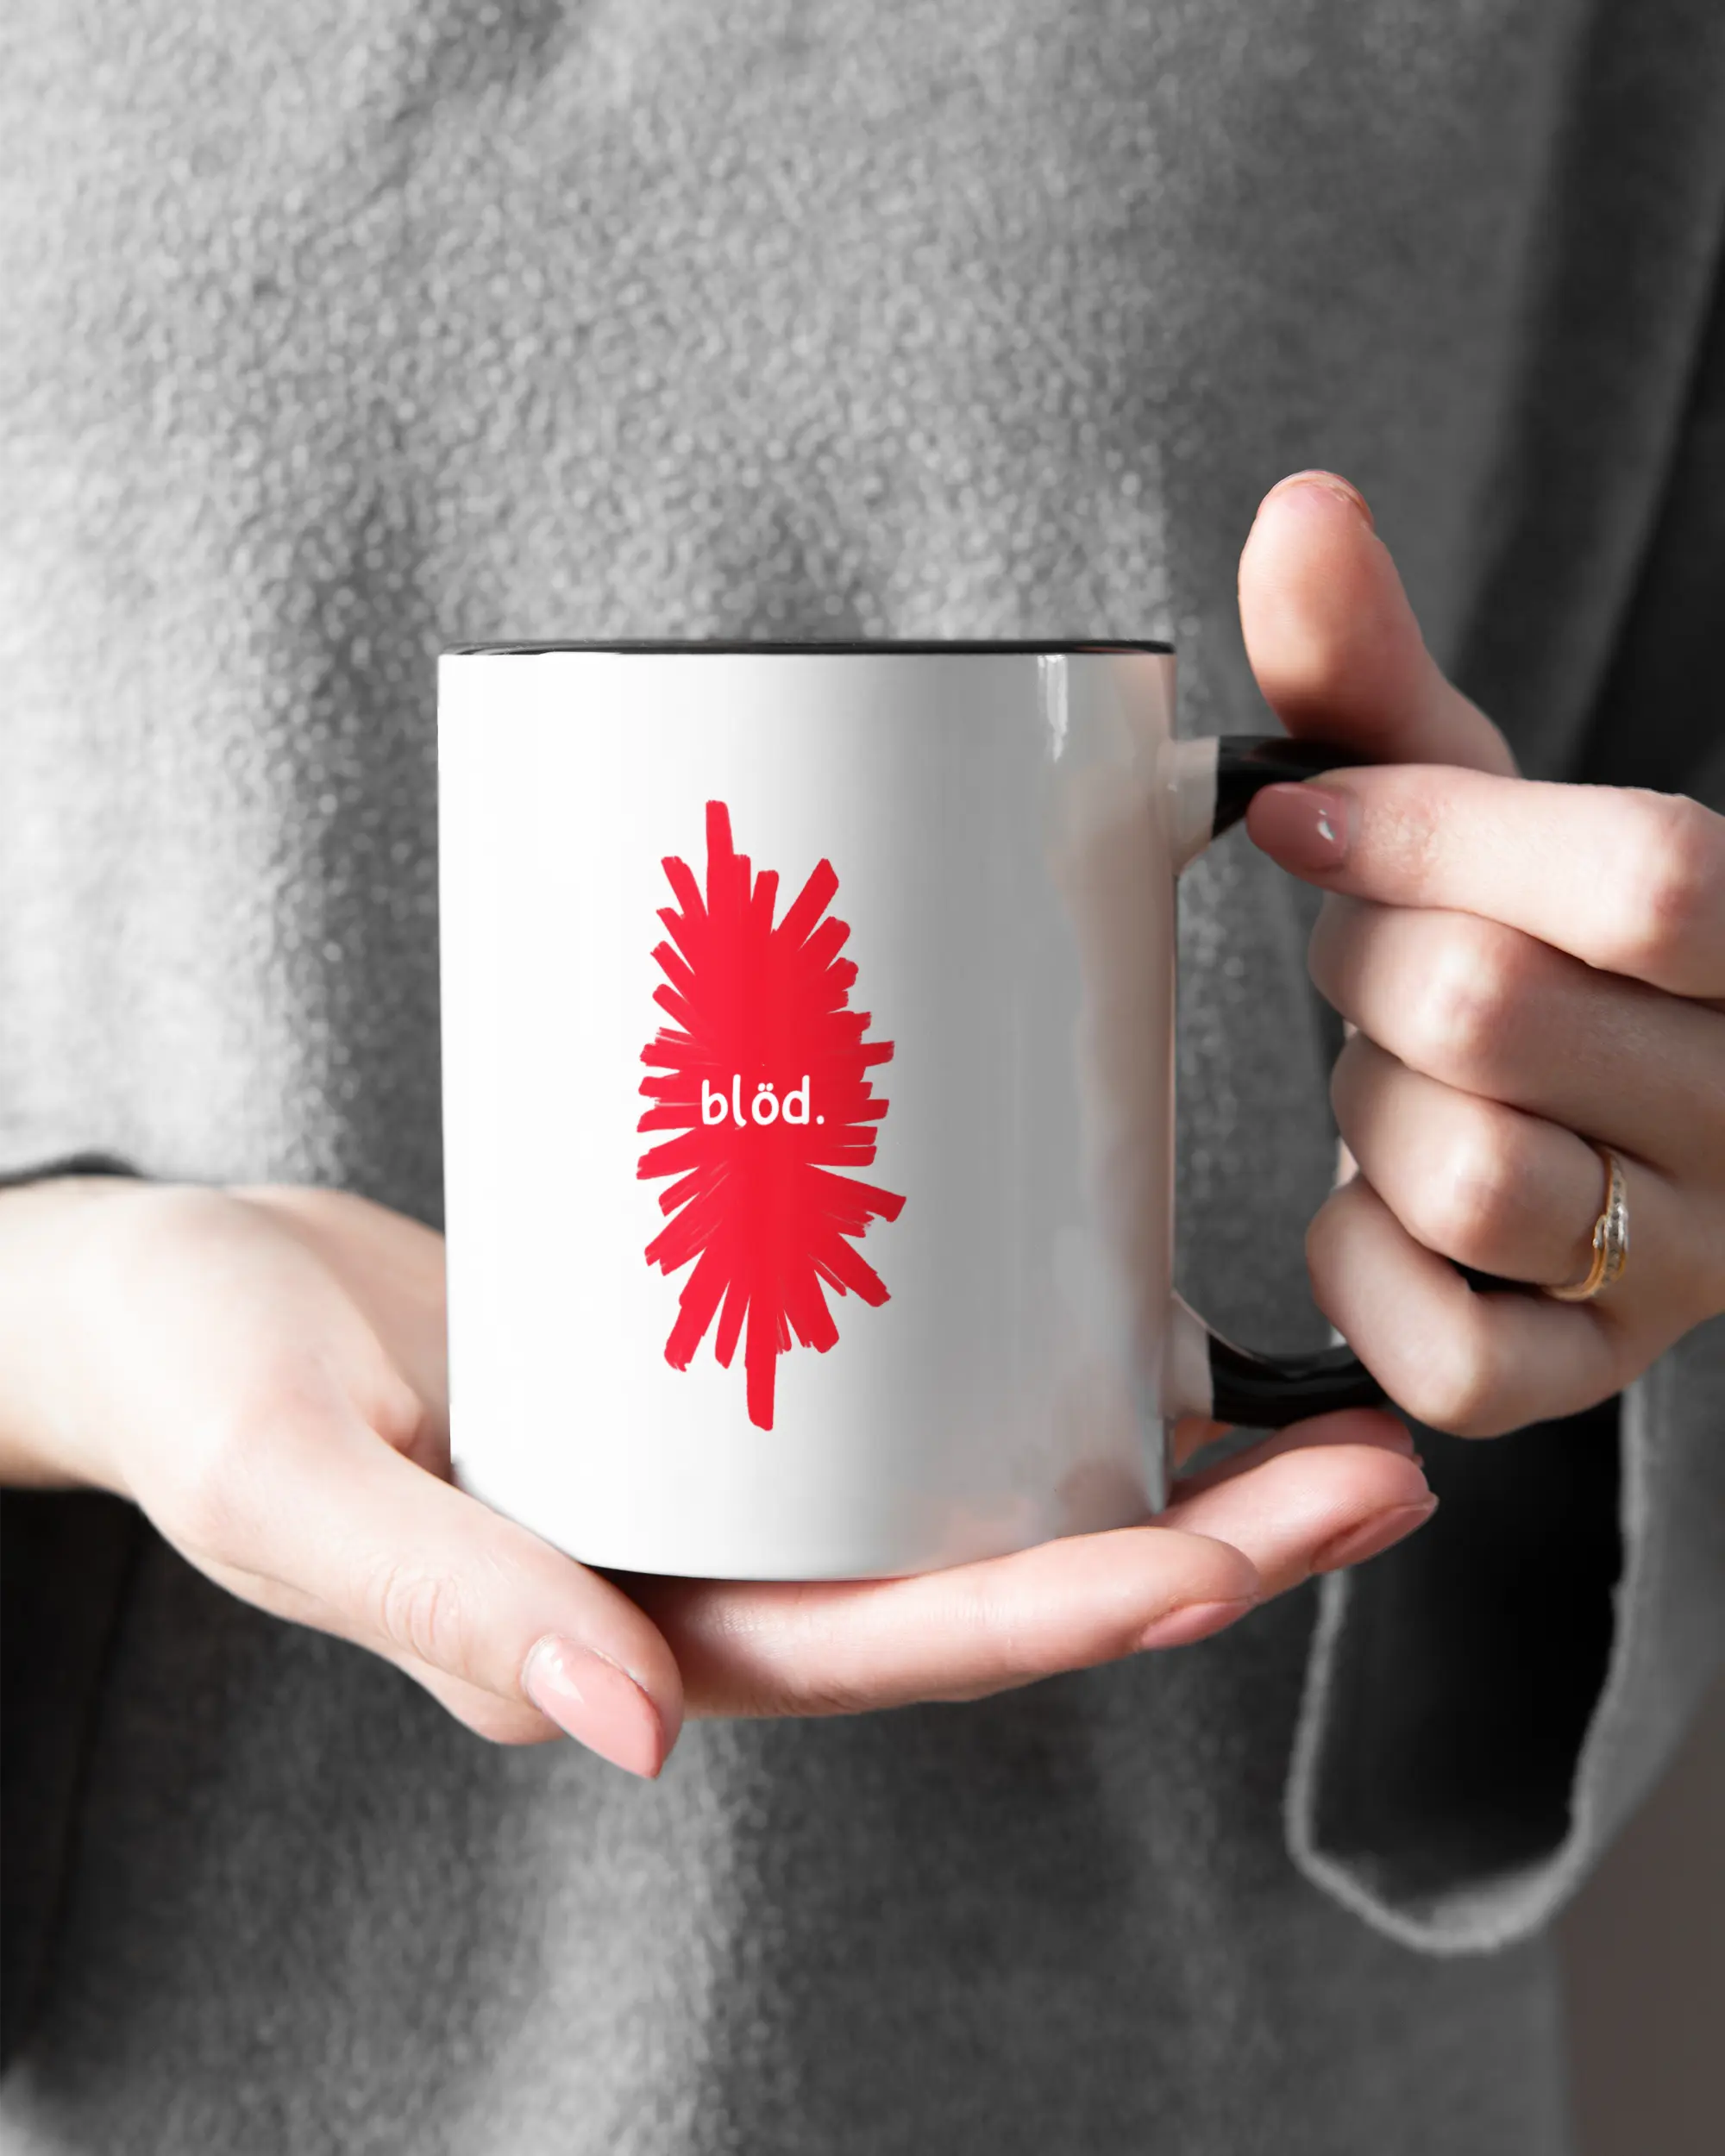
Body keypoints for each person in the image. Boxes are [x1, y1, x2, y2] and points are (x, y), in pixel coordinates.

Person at [2, 4, 1722, 2151]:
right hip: (163, 2063)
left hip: (1205, 2054)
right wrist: (45, 1322)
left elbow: (1666, 926)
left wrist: (1610, 1189)